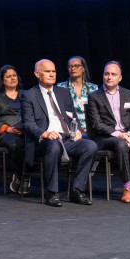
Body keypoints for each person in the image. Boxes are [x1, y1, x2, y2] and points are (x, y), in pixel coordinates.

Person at [21, 59, 97, 207]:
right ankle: (52, 192)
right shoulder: (28, 95)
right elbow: (28, 124)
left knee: (91, 146)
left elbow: (73, 116)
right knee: (54, 145)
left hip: (66, 138)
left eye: (53, 71)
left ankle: (77, 189)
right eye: (47, 71)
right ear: (37, 74)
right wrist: (45, 133)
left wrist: (79, 131)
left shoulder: (63, 92)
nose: (51, 74)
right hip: (43, 141)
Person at [87, 61, 130, 203]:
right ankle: (126, 187)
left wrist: (129, 134)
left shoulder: (128, 94)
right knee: (121, 145)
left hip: (129, 133)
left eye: (113, 74)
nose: (109, 77)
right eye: (106, 74)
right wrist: (119, 135)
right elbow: (97, 124)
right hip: (108, 136)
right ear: (103, 76)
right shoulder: (94, 96)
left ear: (120, 78)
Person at [0, 65, 28, 194]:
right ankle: (22, 176)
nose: (12, 78)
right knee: (17, 144)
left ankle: (26, 176)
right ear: (2, 81)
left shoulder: (26, 94)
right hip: (4, 134)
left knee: (39, 143)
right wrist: (8, 129)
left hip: (25, 131)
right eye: (8, 76)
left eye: (14, 75)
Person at [57, 56, 99, 132]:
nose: (73, 69)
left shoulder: (93, 88)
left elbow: (96, 113)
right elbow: (60, 113)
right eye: (70, 66)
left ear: (83, 68)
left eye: (76, 66)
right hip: (70, 129)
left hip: (91, 129)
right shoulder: (61, 87)